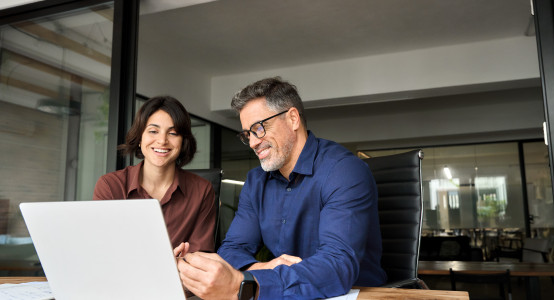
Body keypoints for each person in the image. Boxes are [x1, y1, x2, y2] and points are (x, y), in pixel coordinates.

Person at [177, 77, 387, 299]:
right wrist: (261, 271)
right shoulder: (256, 181)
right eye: (247, 134)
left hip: (357, 294)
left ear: (293, 118)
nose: (252, 143)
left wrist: (248, 283)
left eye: (259, 128)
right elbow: (231, 251)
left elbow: (335, 268)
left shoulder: (344, 171)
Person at [93, 96, 216, 253]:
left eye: (173, 133)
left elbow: (201, 256)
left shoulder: (202, 190)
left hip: (178, 278)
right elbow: (101, 249)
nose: (162, 140)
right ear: (139, 138)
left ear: (183, 141)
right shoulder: (110, 186)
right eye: (153, 131)